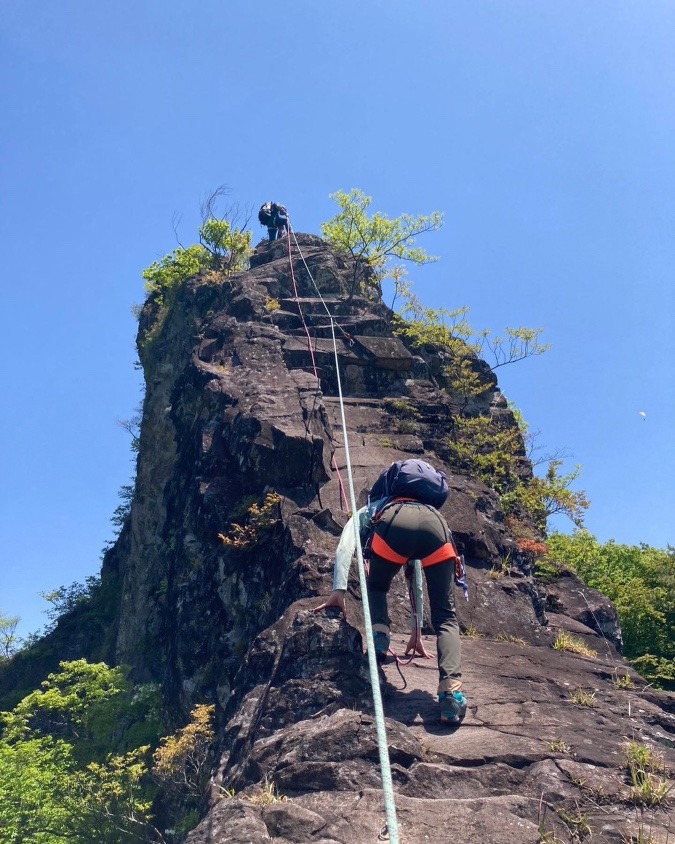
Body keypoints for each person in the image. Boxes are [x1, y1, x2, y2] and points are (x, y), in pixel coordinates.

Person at [315, 467, 467, 725]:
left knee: (377, 586)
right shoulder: (429, 507)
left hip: (393, 524)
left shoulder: (376, 506)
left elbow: (346, 544)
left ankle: (380, 638)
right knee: (446, 618)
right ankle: (451, 694)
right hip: (437, 528)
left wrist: (338, 590)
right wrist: (417, 631)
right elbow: (414, 572)